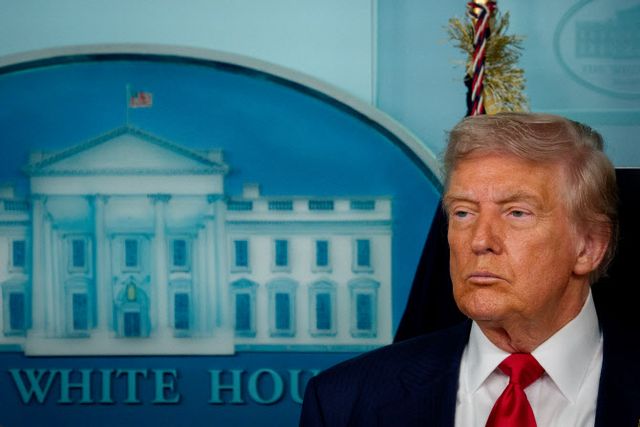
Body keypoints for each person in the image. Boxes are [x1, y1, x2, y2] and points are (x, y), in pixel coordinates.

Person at [299, 113, 640, 426]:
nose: (479, 240)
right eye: (463, 213)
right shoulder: (343, 402)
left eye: (516, 213)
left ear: (589, 247)